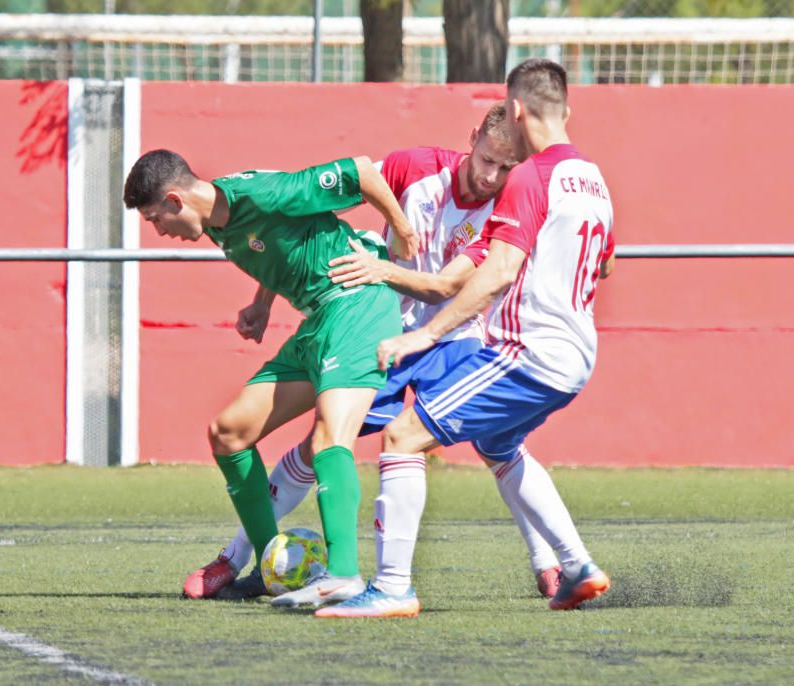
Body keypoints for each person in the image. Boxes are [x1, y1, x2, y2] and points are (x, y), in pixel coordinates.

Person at [185, 103, 570, 605]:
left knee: (498, 444)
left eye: (505, 168)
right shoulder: (415, 167)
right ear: (472, 137)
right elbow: (303, 220)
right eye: (487, 160)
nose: (491, 175)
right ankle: (246, 560)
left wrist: (383, 267)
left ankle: (553, 564)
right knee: (318, 447)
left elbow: (446, 286)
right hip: (378, 324)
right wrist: (263, 299)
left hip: (451, 332)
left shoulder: (508, 204)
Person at [317, 58, 615, 618]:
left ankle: (393, 588)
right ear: (566, 112)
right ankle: (575, 566)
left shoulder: (530, 176)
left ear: (518, 111)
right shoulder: (594, 178)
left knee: (403, 437)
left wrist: (422, 335)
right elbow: (606, 266)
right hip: (578, 354)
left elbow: (497, 272)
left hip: (527, 354)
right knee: (499, 446)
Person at [123, 149, 419, 610]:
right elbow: (284, 241)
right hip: (317, 322)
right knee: (228, 433)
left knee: (329, 438)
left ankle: (343, 575)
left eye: (154, 219)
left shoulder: (262, 195)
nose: (159, 231)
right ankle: (269, 567)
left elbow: (360, 171)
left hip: (357, 306)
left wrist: (401, 231)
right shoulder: (218, 220)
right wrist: (263, 302)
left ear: (176, 200)